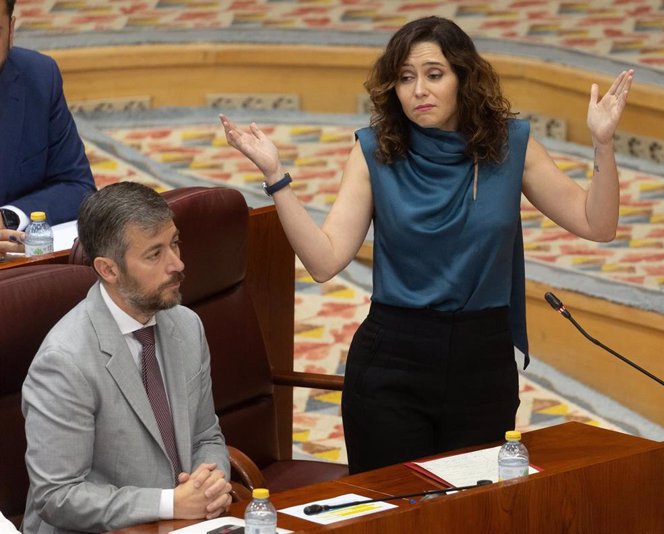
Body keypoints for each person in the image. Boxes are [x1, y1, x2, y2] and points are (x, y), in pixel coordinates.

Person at [219, 16, 634, 474]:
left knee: (476, 511)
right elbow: (323, 260)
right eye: (405, 78)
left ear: (463, 78)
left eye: (434, 75)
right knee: (393, 512)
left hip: (483, 360)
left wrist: (603, 143)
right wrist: (277, 178)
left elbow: (598, 224)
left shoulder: (510, 145)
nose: (419, 90)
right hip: (394, 358)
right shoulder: (375, 150)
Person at [22, 182, 232, 533]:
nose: (177, 264)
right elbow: (57, 496)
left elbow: (206, 436)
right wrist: (170, 504)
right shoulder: (64, 361)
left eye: (175, 243)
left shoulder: (187, 326)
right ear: (108, 270)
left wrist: (209, 482)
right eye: (155, 254)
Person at [0, 0, 95, 259]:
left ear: (11, 30)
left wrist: (8, 217)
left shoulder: (39, 77)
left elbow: (77, 187)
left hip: (19, 264)